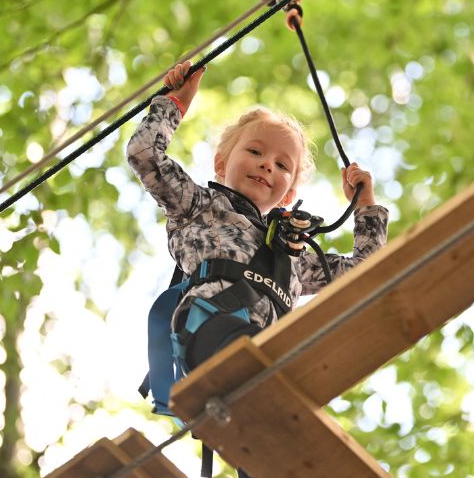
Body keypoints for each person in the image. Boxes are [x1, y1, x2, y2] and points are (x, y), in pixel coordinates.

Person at [126, 60, 389, 372]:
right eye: (255, 152)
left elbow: (366, 272)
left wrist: (366, 206)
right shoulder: (198, 205)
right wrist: (176, 103)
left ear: (289, 195)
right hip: (209, 335)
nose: (267, 165)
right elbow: (144, 154)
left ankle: (279, 380)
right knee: (260, 352)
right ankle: (266, 368)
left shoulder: (291, 256)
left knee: (304, 353)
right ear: (221, 163)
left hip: (271, 353)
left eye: (282, 166)